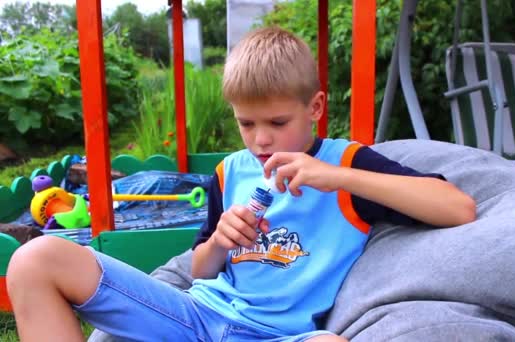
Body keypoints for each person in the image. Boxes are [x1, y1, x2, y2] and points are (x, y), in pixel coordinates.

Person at [6, 27, 476, 342]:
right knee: (33, 259)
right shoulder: (230, 172)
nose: (261, 140)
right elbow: (202, 270)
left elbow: (457, 208)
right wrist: (217, 243)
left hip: (279, 334)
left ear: (314, 108)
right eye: (246, 124)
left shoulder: (348, 165)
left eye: (277, 121)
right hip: (194, 318)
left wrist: (335, 177)